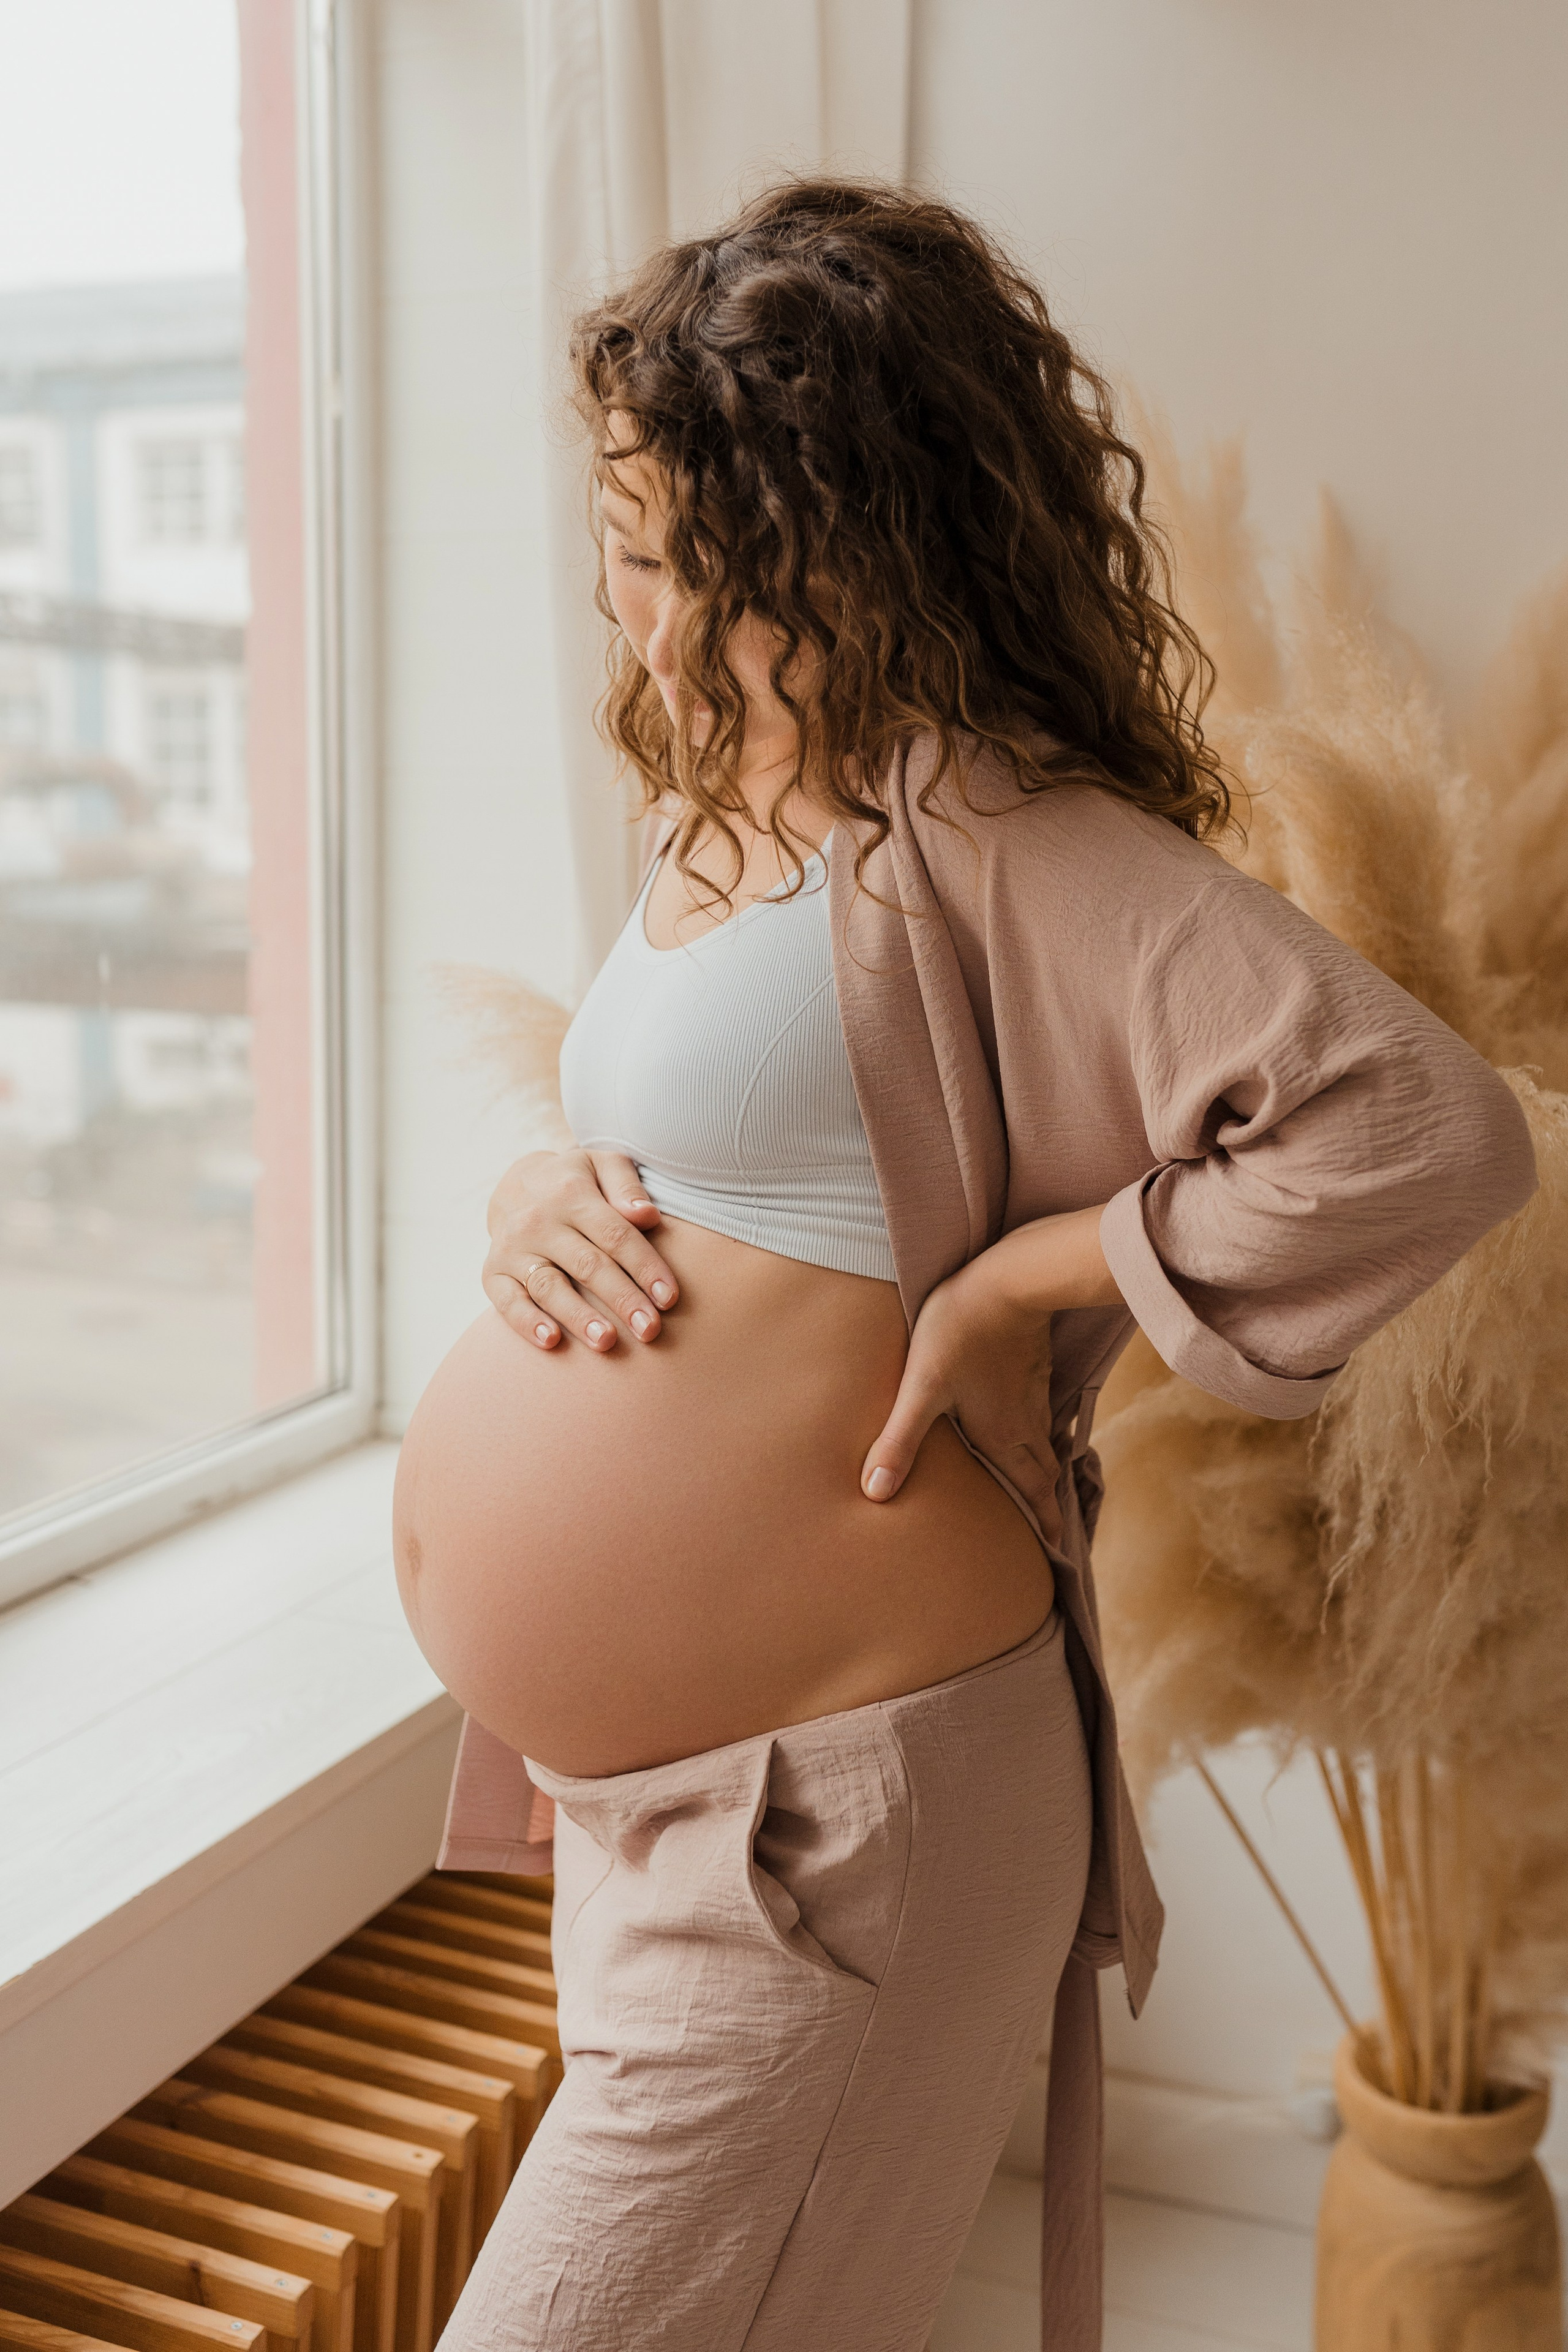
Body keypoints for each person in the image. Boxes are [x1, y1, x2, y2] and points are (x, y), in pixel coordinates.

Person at [393, 179, 1536, 2352]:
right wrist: (535, 1192)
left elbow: (1429, 1133)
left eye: (678, 570)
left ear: (839, 551)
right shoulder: (729, 804)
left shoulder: (1002, 829)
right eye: (619, 554)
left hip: (838, 1832)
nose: (632, 625)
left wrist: (1036, 1280)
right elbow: (749, 1166)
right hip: (680, 1818)